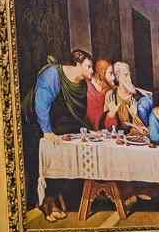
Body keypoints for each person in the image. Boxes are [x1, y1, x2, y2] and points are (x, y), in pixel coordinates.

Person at [24, 48, 93, 221]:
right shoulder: (54, 74)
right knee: (54, 153)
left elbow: (77, 113)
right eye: (88, 66)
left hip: (63, 127)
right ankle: (48, 202)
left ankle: (69, 198)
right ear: (77, 64)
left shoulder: (82, 84)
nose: (91, 71)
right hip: (40, 124)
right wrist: (47, 131)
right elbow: (41, 103)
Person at [86, 58, 113, 130]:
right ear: (102, 72)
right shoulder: (87, 85)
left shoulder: (110, 89)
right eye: (110, 73)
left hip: (103, 123)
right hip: (89, 125)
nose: (113, 77)